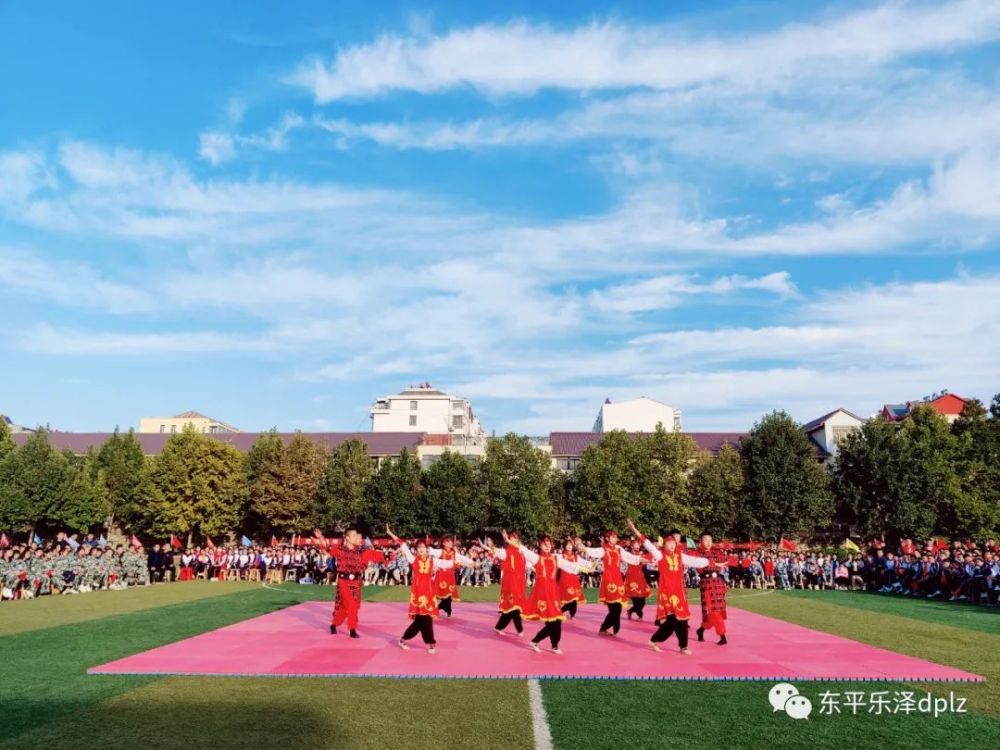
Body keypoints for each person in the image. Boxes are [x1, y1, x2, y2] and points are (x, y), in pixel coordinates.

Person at [627, 520, 708, 654]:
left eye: (673, 543)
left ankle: (683, 646)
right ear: (664, 545)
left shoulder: (680, 556)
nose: (672, 545)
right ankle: (654, 640)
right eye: (669, 543)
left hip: (679, 593)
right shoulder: (660, 555)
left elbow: (695, 561)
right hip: (667, 593)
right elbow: (648, 545)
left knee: (682, 620)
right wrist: (635, 530)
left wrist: (711, 562)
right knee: (672, 621)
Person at [505, 531, 588, 654]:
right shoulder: (537, 558)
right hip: (543, 593)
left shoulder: (556, 558)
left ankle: (552, 645)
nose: (547, 546)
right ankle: (540, 642)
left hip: (553, 592)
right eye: (544, 544)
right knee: (552, 621)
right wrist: (513, 542)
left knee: (557, 620)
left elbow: (570, 566)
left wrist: (587, 568)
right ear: (540, 545)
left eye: (549, 543)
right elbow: (525, 551)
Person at [385, 527, 455, 654]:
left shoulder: (433, 561)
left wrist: (469, 563)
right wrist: (391, 534)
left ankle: (404, 639)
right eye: (419, 548)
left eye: (423, 547)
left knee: (420, 621)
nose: (421, 550)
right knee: (425, 620)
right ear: (416, 551)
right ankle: (431, 642)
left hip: (429, 594)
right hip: (418, 595)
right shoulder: (413, 560)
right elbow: (403, 546)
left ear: (427, 549)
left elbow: (448, 563)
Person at [313, 527, 383, 638]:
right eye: (354, 536)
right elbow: (326, 547)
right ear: (347, 538)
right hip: (343, 581)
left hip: (357, 583)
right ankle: (352, 629)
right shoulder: (340, 549)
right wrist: (321, 537)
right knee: (351, 604)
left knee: (346, 607)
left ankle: (334, 624)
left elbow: (376, 555)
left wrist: (393, 555)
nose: (357, 538)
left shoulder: (362, 551)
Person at [578, 530, 645, 636]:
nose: (615, 538)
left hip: (618, 579)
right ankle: (613, 628)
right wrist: (583, 547)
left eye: (615, 537)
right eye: (612, 537)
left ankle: (606, 628)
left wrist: (641, 559)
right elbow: (593, 552)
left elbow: (630, 557)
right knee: (614, 607)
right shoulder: (603, 549)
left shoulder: (619, 549)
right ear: (607, 538)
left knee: (617, 607)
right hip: (609, 579)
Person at [484, 533, 526, 636]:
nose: (513, 540)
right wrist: (491, 546)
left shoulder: (521, 552)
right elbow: (498, 552)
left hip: (519, 582)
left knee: (511, 607)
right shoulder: (507, 552)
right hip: (510, 583)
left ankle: (499, 627)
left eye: (515, 539)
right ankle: (519, 629)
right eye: (511, 539)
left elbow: (528, 564)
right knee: (515, 606)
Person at [694, 532, 730, 645]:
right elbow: (700, 569)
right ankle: (722, 635)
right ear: (701, 542)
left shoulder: (718, 553)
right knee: (713, 611)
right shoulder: (697, 554)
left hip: (718, 584)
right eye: (705, 540)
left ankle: (700, 630)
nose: (708, 542)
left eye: (710, 540)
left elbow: (725, 563)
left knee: (716, 612)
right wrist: (715, 566)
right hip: (707, 585)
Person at [427, 536, 473, 618]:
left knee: (449, 594)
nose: (450, 543)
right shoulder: (440, 551)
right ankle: (438, 608)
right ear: (444, 543)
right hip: (441, 575)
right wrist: (427, 547)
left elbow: (462, 558)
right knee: (437, 592)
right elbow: (431, 551)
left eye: (451, 542)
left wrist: (471, 562)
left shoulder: (454, 553)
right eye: (448, 542)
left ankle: (445, 608)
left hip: (450, 576)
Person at [624, 537, 653, 620]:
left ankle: (630, 611)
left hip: (640, 578)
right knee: (636, 600)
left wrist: (650, 560)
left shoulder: (641, 554)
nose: (638, 547)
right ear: (632, 546)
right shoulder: (629, 555)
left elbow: (645, 560)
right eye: (636, 545)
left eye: (638, 545)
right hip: (632, 578)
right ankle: (639, 614)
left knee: (642, 601)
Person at [558, 539, 587, 619]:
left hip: (574, 579)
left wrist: (591, 566)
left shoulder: (575, 556)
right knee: (570, 597)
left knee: (574, 598)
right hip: (565, 578)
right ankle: (560, 611)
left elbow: (583, 563)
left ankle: (572, 614)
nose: (569, 546)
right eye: (567, 545)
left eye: (571, 545)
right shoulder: (561, 556)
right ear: (564, 546)